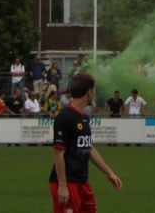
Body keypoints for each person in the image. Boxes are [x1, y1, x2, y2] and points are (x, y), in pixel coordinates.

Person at [49, 72, 122, 212]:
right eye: (94, 89)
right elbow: (58, 154)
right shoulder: (64, 117)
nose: (94, 93)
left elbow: (90, 149)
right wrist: (63, 186)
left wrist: (109, 173)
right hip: (67, 183)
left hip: (82, 182)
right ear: (89, 92)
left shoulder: (84, 117)